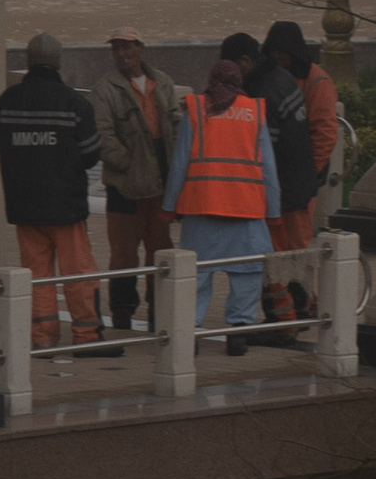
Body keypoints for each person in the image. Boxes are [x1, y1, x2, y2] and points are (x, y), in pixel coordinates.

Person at [0, 30, 113, 354]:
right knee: (78, 273)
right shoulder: (74, 103)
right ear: (58, 63)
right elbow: (91, 154)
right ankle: (87, 336)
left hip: (25, 207)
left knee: (37, 276)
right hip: (65, 206)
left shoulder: (7, 101)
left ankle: (42, 337)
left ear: (29, 61)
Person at [166, 49, 279, 353]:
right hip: (245, 209)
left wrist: (168, 206)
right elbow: (268, 168)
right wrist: (274, 210)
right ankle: (239, 334)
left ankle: (190, 333)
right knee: (247, 273)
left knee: (196, 274)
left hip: (201, 208)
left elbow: (180, 164)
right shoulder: (254, 111)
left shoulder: (195, 110)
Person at [91, 26, 181, 332]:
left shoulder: (163, 83)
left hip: (160, 187)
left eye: (127, 47)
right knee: (123, 255)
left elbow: (176, 126)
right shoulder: (105, 89)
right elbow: (103, 134)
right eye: (116, 48)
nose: (122, 53)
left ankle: (159, 310)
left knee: (160, 251)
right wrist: (127, 164)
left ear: (141, 48)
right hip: (124, 189)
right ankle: (122, 314)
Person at [260, 19, 341, 321]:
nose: (277, 56)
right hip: (281, 177)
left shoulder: (317, 82)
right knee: (280, 244)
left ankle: (302, 305)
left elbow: (325, 133)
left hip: (299, 180)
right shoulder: (283, 78)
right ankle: (296, 306)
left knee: (297, 244)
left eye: (282, 52)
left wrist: (308, 172)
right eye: (273, 51)